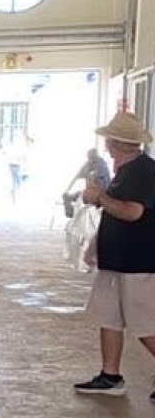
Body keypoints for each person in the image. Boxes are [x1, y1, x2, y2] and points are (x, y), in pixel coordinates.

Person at [73, 112, 155, 400]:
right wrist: (97, 242)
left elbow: (132, 212)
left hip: (138, 262)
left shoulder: (144, 171)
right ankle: (110, 375)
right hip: (116, 260)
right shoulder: (124, 171)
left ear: (114, 142)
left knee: (146, 325)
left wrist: (100, 198)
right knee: (109, 317)